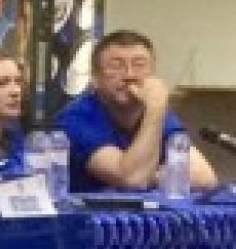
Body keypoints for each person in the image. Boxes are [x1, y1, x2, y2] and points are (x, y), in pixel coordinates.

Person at [55, 29, 216, 193]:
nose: (129, 75)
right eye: (116, 66)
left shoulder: (158, 114)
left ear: (153, 75)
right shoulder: (76, 119)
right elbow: (133, 179)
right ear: (95, 79)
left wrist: (151, 175)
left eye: (139, 65)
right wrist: (155, 110)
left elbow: (205, 177)